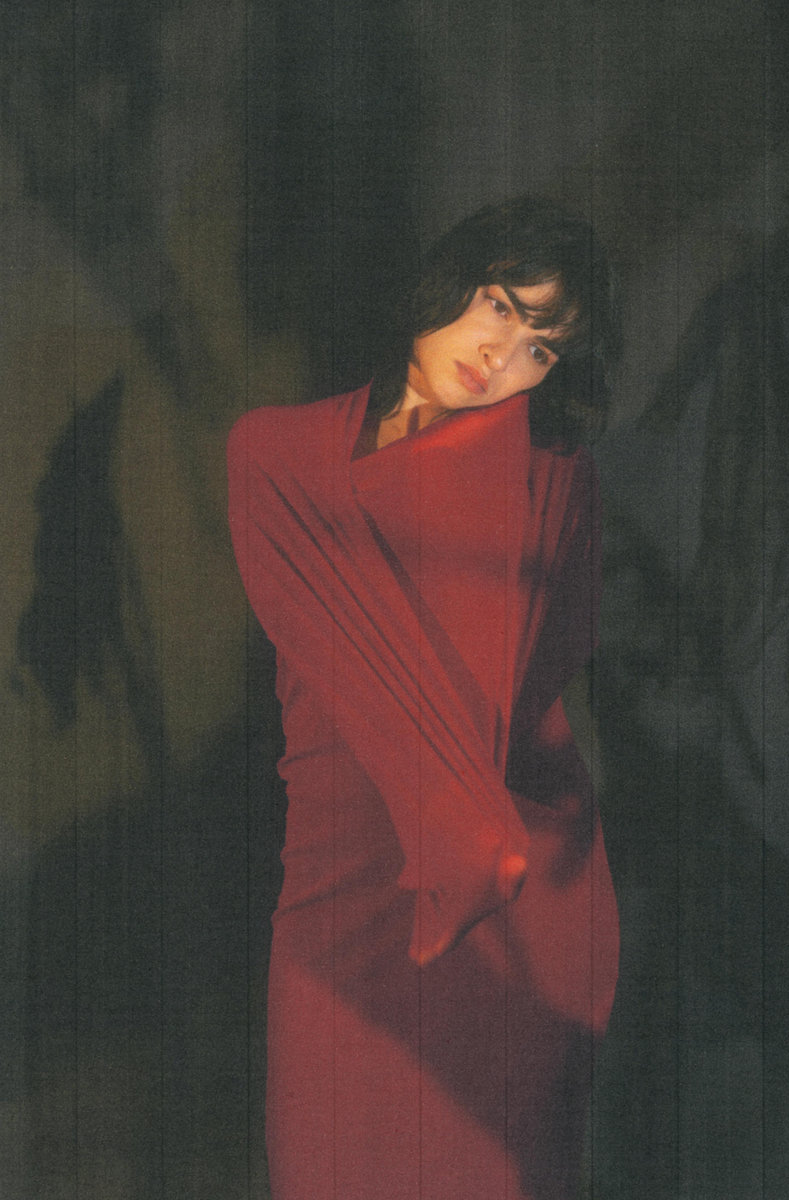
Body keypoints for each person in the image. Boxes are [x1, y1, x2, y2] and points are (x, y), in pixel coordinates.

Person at [227, 197, 620, 1200]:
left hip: (509, 898)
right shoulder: (274, 452)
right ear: (453, 278)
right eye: (499, 306)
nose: (500, 355)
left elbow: (532, 682)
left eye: (540, 349)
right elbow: (340, 657)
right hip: (340, 871)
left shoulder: (550, 483)